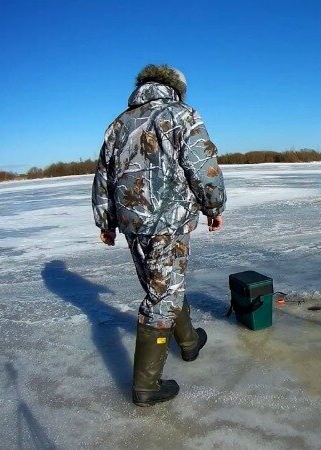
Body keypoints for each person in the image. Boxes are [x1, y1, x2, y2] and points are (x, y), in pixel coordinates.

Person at [91, 64, 226, 406]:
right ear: (176, 88)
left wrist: (106, 222)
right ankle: (146, 386)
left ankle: (190, 342)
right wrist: (214, 206)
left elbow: (103, 178)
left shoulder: (118, 124)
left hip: (132, 225)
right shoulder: (182, 115)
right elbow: (203, 166)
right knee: (161, 296)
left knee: (161, 287)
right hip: (170, 222)